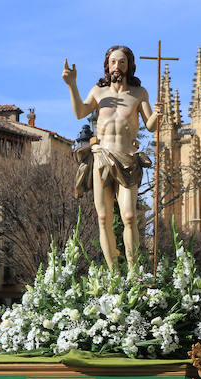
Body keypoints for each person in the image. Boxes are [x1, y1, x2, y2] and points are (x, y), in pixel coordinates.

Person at [63, 45, 160, 268]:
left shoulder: (139, 93)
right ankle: (114, 274)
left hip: (127, 159)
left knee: (129, 216)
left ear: (129, 66)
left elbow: (151, 126)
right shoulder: (99, 92)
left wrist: (158, 114)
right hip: (101, 157)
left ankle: (134, 273)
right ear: (107, 65)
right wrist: (72, 84)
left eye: (122, 62)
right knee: (103, 218)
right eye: (113, 62)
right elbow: (80, 112)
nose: (117, 66)